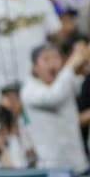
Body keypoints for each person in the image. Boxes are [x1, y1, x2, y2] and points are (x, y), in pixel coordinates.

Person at [22, 43, 89, 172]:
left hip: (78, 164)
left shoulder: (64, 82)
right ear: (35, 67)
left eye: (56, 58)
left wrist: (84, 57)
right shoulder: (29, 90)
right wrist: (71, 64)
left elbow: (81, 82)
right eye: (46, 59)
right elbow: (54, 96)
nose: (52, 63)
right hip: (52, 167)